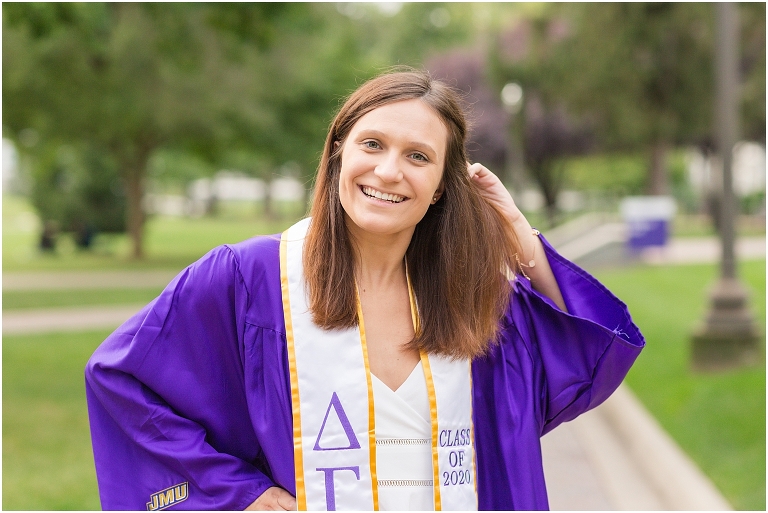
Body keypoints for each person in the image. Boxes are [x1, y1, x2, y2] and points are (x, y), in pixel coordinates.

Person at [86, 69, 644, 511]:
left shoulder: (479, 302)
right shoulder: (251, 280)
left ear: (442, 189)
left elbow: (589, 357)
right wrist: (238, 493)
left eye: (419, 157)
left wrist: (520, 238)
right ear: (338, 153)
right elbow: (122, 382)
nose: (388, 171)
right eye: (372, 144)